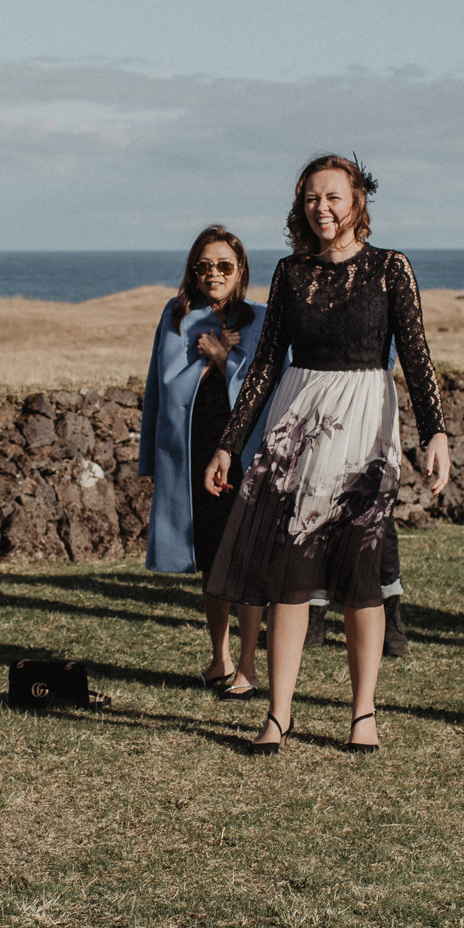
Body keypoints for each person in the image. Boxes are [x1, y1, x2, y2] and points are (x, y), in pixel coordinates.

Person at [203, 154, 450, 755]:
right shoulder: (289, 274)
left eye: (334, 196)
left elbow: (415, 355)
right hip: (299, 423)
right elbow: (264, 365)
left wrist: (435, 430)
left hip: (366, 420)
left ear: (358, 199)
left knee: (361, 573)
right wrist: (229, 443)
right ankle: (278, 714)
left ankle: (362, 713)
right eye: (313, 198)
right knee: (290, 573)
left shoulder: (392, 269)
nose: (323, 208)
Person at [140, 226, 268, 696]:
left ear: (241, 272)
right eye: (204, 266)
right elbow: (160, 388)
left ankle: (249, 667)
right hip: (191, 457)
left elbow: (265, 389)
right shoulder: (175, 318)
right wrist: (149, 458)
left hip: (245, 455)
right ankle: (220, 659)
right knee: (211, 559)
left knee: (248, 561)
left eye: (224, 266)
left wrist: (226, 359)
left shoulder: (262, 320)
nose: (213, 274)